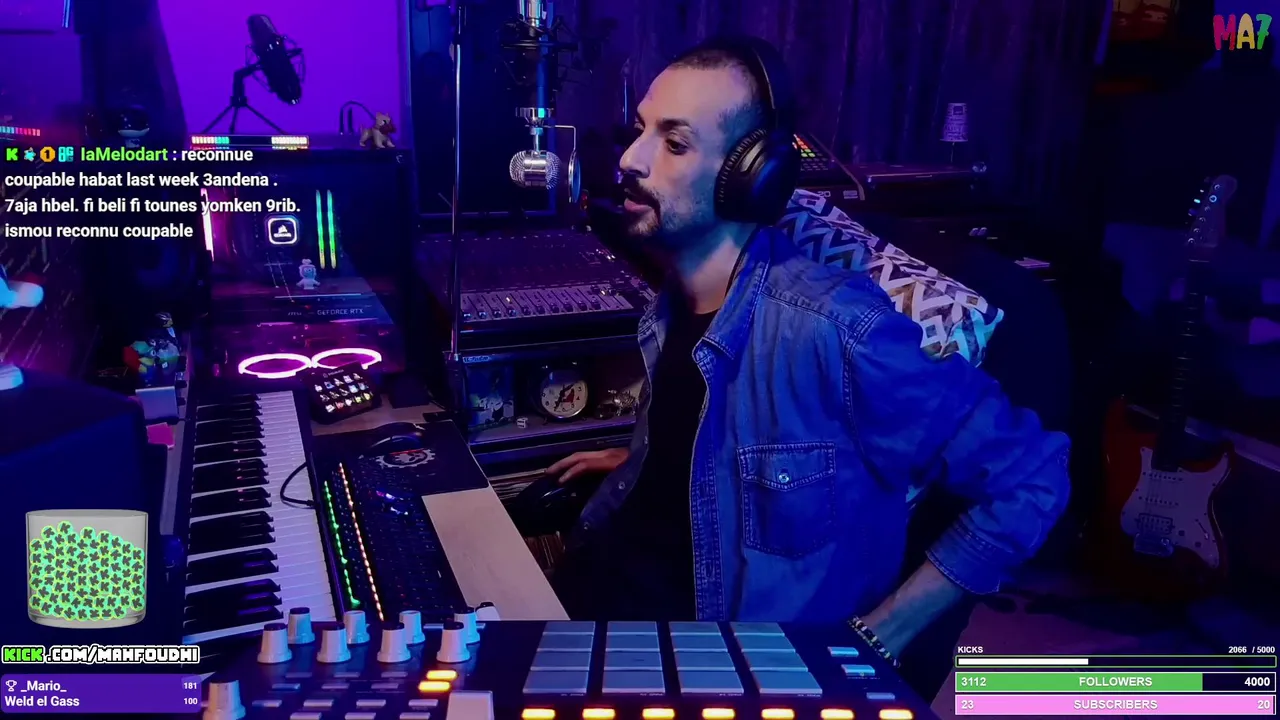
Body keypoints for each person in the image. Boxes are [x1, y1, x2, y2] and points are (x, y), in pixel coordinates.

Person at [549, 36, 1070, 662]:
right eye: (641, 130)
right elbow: (731, 429)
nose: (631, 158)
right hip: (609, 583)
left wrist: (883, 635)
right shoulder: (675, 301)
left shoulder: (838, 327)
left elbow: (1034, 478)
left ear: (749, 178)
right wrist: (658, 458)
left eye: (675, 143)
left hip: (715, 662)